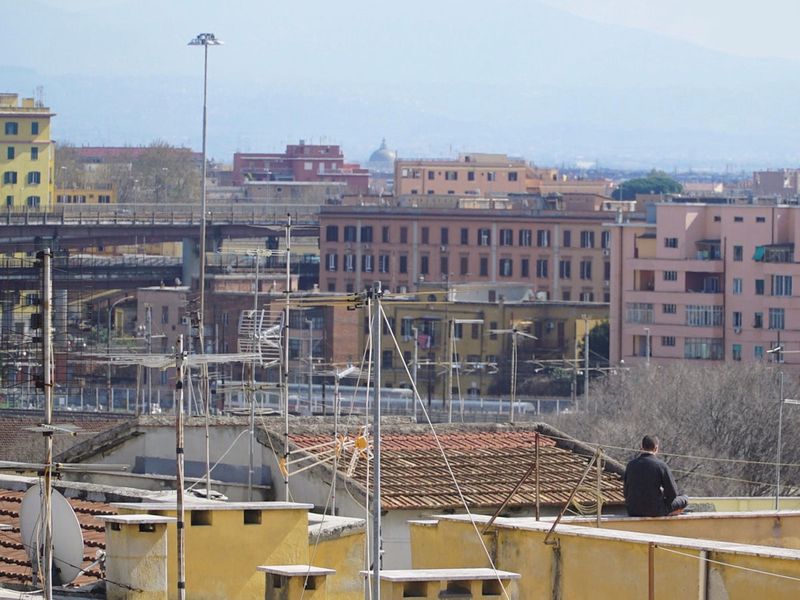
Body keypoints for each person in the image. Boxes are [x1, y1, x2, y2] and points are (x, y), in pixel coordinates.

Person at [624, 435, 688, 517]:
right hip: (656, 510)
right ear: (656, 448)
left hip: (633, 510)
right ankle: (671, 512)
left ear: (641, 447)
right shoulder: (661, 465)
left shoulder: (630, 465)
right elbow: (673, 493)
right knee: (684, 498)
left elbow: (626, 493)